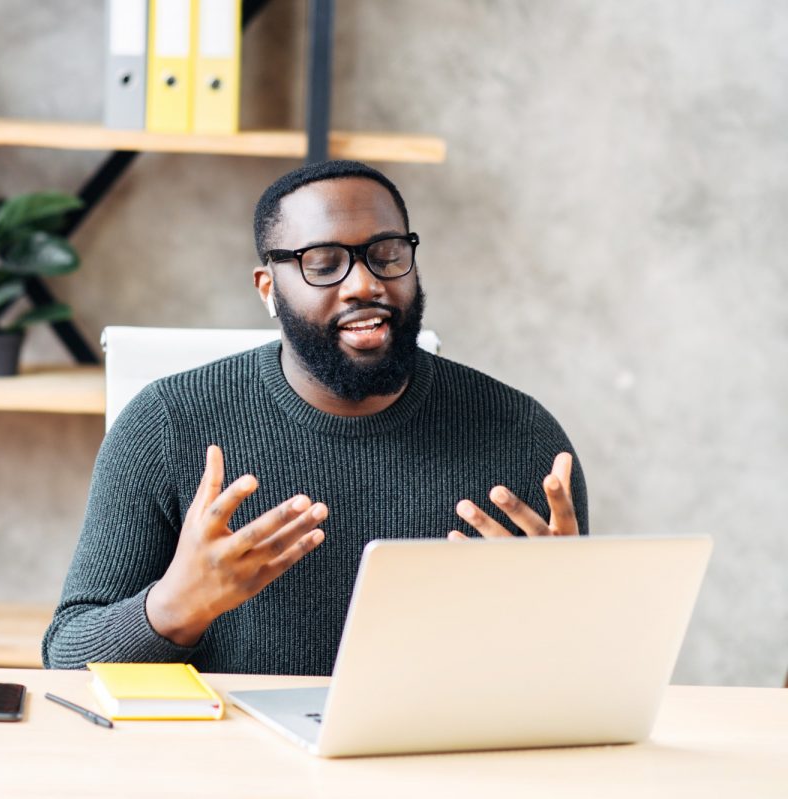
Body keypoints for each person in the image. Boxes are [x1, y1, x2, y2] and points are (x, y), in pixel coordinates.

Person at [42, 159, 587, 675]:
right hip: (235, 765)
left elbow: (576, 674)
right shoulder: (166, 426)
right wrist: (172, 609)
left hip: (435, 762)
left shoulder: (521, 437)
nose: (364, 284)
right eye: (323, 264)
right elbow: (67, 655)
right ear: (269, 289)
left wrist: (565, 614)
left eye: (388, 254)